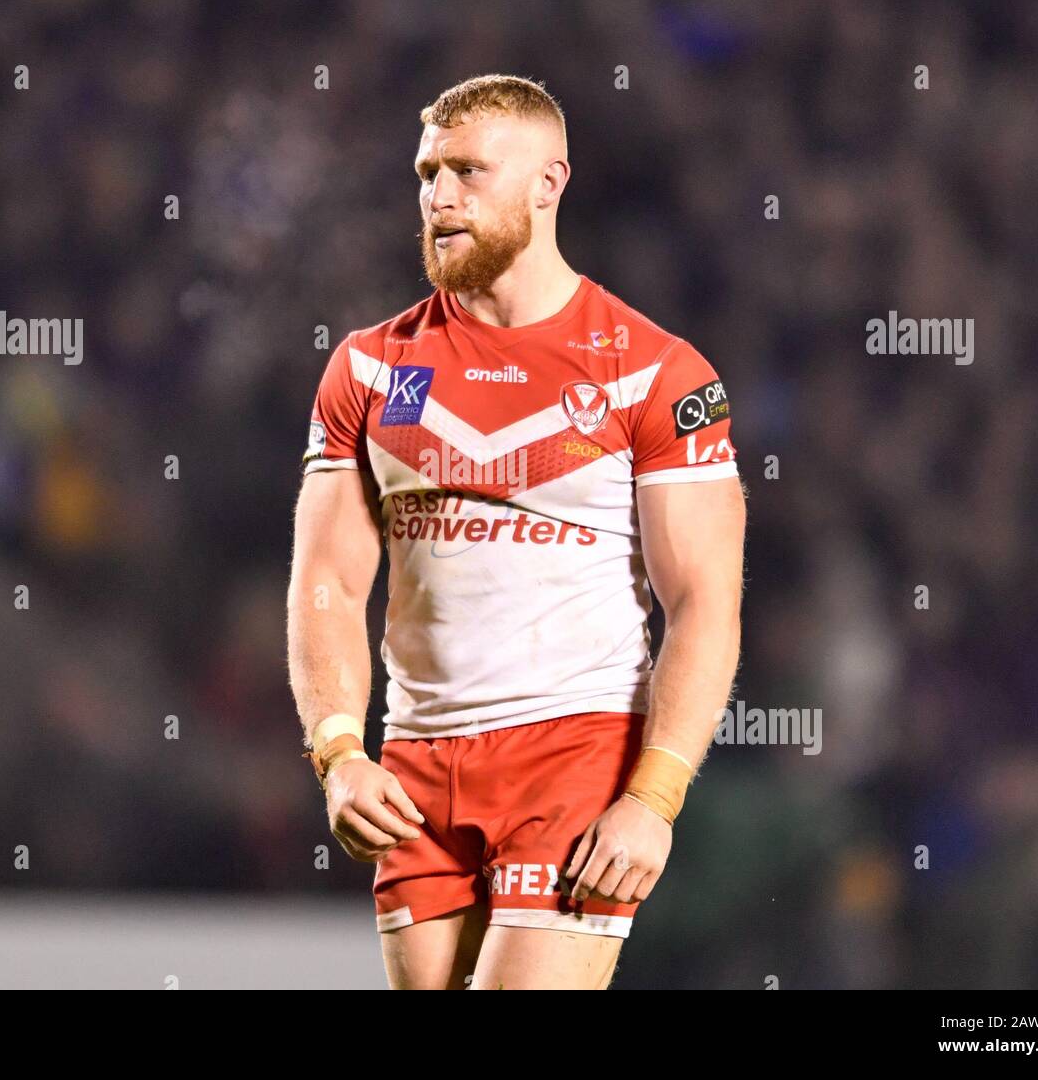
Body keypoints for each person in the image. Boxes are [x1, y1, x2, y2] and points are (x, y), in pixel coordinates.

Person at [287, 74, 746, 989]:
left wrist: (653, 798)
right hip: (416, 762)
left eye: (467, 171)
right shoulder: (370, 368)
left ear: (548, 183)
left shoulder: (655, 372)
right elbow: (327, 583)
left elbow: (702, 602)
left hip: (574, 753)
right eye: (426, 174)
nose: (438, 198)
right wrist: (340, 749)